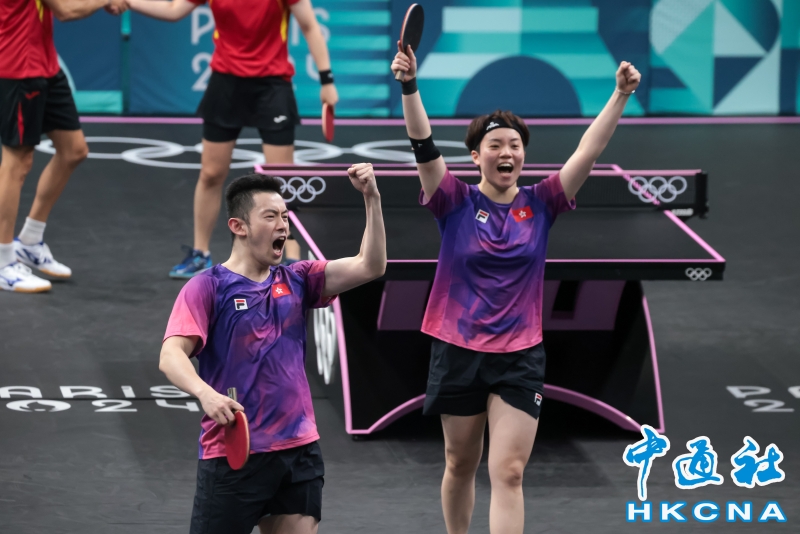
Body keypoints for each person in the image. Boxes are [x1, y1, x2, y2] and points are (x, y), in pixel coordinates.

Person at [392, 45, 641, 534]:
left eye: (515, 145)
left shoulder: (544, 201)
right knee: (460, 463)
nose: (507, 153)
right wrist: (409, 86)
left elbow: (588, 151)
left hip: (520, 355)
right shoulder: (453, 199)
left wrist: (620, 95)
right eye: (495, 145)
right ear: (475, 156)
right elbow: (422, 143)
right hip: (457, 347)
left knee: (508, 471)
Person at [160, 164, 385, 534]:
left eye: (285, 216)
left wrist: (371, 198)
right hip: (235, 452)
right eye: (270, 216)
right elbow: (171, 355)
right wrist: (205, 393)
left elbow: (370, 266)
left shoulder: (299, 278)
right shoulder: (207, 287)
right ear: (239, 226)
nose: (283, 225)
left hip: (298, 449)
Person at [128, 0, 339, 279]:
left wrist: (327, 80)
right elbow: (173, 10)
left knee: (281, 180)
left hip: (272, 85)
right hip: (226, 83)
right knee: (211, 173)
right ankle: (200, 253)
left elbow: (310, 26)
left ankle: (290, 254)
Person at [0, 0, 128, 293]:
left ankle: (30, 241)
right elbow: (66, 10)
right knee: (17, 162)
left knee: (73, 150)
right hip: (18, 67)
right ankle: (3, 261)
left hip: (45, 64)